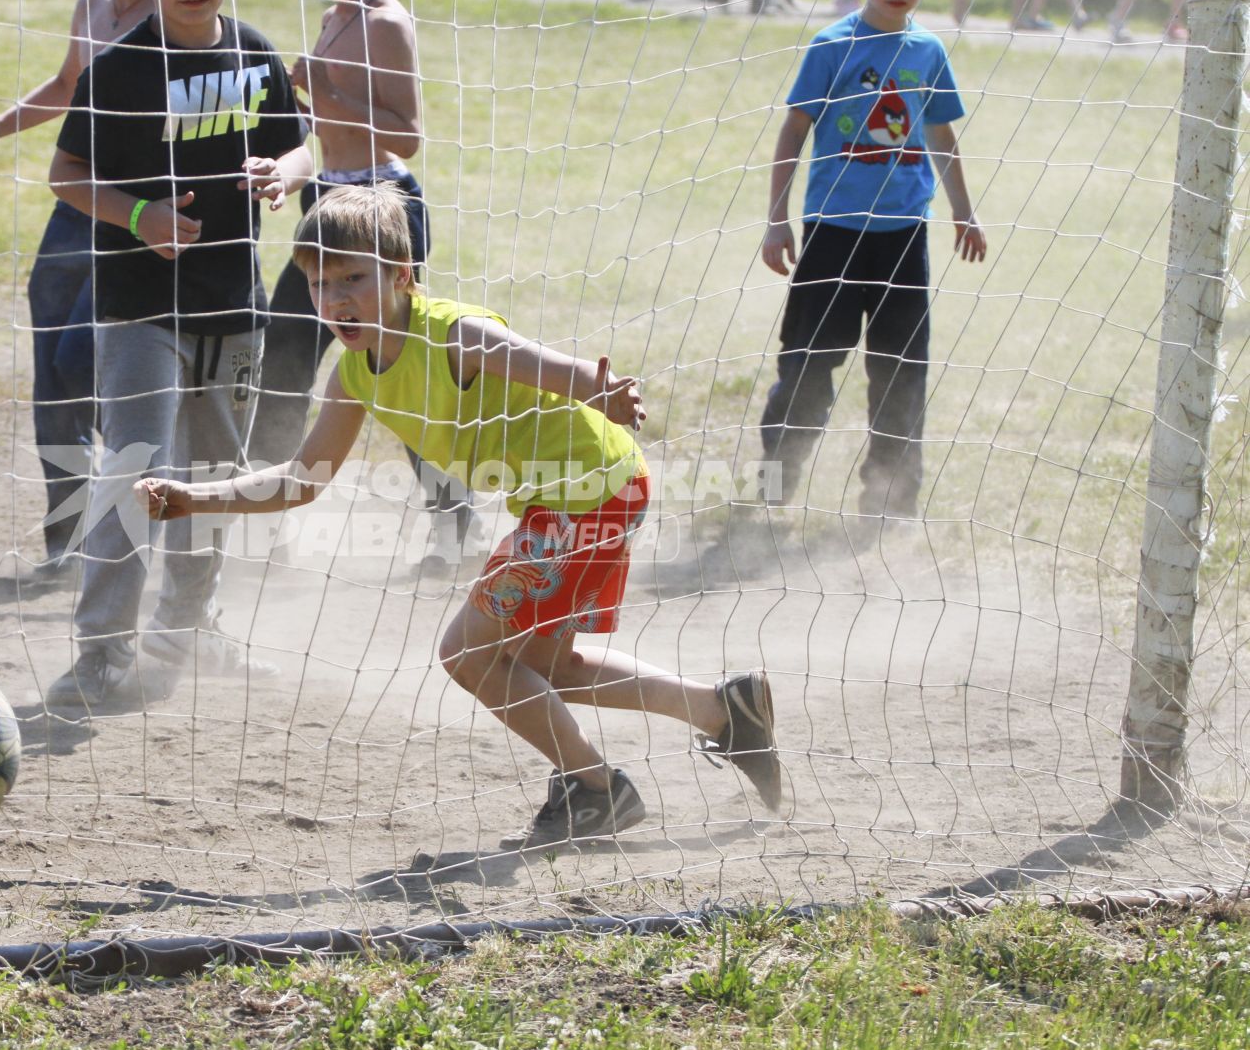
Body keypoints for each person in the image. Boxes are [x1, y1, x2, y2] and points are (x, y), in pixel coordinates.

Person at [139, 184, 786, 846]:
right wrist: (197, 498)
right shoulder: (356, 373)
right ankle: (723, 710)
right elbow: (305, 479)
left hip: (587, 494)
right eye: (319, 283)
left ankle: (595, 790)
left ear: (402, 274)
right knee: (547, 667)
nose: (336, 299)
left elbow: (548, 365)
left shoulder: (454, 335)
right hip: (574, 496)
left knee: (467, 655)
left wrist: (605, 391)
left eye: (354, 278)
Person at [44, 0, 313, 708]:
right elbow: (66, 175)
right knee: (135, 473)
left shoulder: (256, 53)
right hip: (139, 311)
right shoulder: (120, 70)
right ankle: (100, 650)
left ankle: (188, 630)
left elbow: (307, 149)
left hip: (234, 308)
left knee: (209, 479)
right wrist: (140, 217)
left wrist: (284, 172)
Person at [251, 0, 483, 574]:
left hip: (383, 210)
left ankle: (455, 526)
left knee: (397, 373)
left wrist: (324, 90)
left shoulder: (386, 23)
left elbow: (406, 134)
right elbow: (326, 122)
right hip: (327, 202)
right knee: (282, 364)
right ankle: (262, 529)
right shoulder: (333, 13)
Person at [758, 0, 988, 519]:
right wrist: (777, 219)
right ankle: (779, 474)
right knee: (809, 364)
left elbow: (940, 137)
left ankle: (890, 500)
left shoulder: (928, 50)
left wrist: (964, 212)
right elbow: (793, 133)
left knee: (901, 373)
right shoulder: (832, 46)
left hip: (904, 239)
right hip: (832, 235)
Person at [0, 0, 155, 566]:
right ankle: (65, 539)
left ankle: (158, 491)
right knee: (51, 377)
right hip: (74, 208)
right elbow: (67, 84)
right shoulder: (91, 8)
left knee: (81, 364)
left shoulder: (172, 20)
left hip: (133, 219)